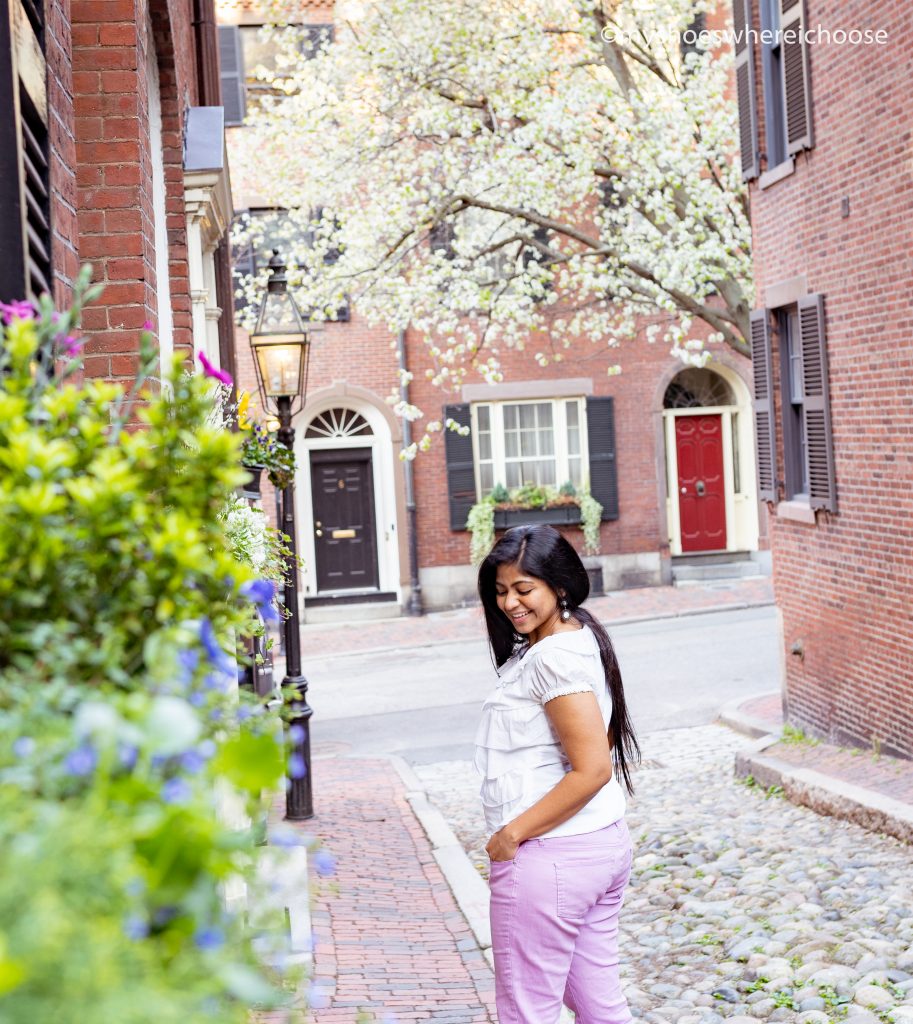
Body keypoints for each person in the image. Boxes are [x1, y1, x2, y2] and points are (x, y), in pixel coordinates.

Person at [474, 524, 640, 1024]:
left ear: (560, 586)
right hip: (601, 846)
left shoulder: (550, 657)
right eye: (501, 591)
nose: (509, 603)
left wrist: (511, 834)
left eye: (524, 589)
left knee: (528, 1011)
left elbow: (592, 768)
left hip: (552, 857)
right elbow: (603, 737)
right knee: (600, 1007)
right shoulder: (579, 637)